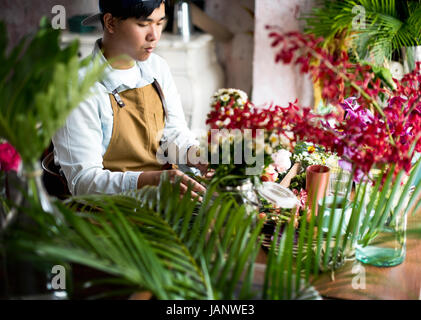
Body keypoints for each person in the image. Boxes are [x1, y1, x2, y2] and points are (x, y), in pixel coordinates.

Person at [52, 0, 207, 198]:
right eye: (143, 25)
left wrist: (196, 155)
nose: (154, 35)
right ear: (110, 23)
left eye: (160, 23)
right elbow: (84, 182)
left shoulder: (157, 67)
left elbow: (174, 132)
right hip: (110, 217)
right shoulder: (76, 87)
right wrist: (151, 181)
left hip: (165, 205)